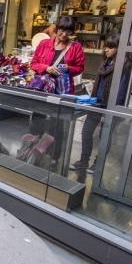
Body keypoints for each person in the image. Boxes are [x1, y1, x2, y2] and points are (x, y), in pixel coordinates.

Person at [29, 16, 85, 165]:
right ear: (56, 29)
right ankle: (32, 150)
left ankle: (54, 155)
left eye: (68, 31)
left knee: (57, 124)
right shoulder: (44, 44)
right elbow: (33, 63)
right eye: (62, 30)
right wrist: (46, 68)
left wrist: (69, 68)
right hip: (43, 89)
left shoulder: (75, 47)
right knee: (37, 120)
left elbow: (80, 68)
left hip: (62, 90)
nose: (64, 34)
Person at [69, 35, 120, 174]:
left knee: (105, 136)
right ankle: (84, 161)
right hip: (96, 103)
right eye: (106, 46)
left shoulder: (122, 67)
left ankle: (98, 163)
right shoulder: (105, 63)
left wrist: (107, 112)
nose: (106, 50)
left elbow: (120, 92)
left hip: (109, 106)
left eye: (111, 47)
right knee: (86, 132)